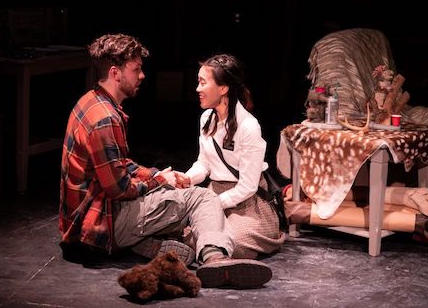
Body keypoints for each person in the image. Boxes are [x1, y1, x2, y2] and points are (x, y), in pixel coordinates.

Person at [58, 34, 272, 289]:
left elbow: (118, 165)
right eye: (136, 69)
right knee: (202, 200)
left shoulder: (91, 103)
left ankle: (161, 247)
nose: (142, 76)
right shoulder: (105, 119)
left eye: (202, 82)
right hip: (102, 223)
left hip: (93, 220)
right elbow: (118, 188)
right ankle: (214, 259)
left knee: (191, 214)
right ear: (115, 73)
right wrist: (158, 181)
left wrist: (156, 176)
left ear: (224, 88)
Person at [176, 54, 285, 259]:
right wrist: (189, 178)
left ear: (223, 88)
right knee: (184, 229)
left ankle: (207, 254)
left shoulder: (248, 126)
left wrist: (215, 203)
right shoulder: (206, 118)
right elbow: (204, 164)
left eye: (203, 82)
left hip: (247, 201)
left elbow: (247, 187)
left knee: (235, 241)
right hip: (214, 192)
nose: (197, 89)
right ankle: (208, 253)